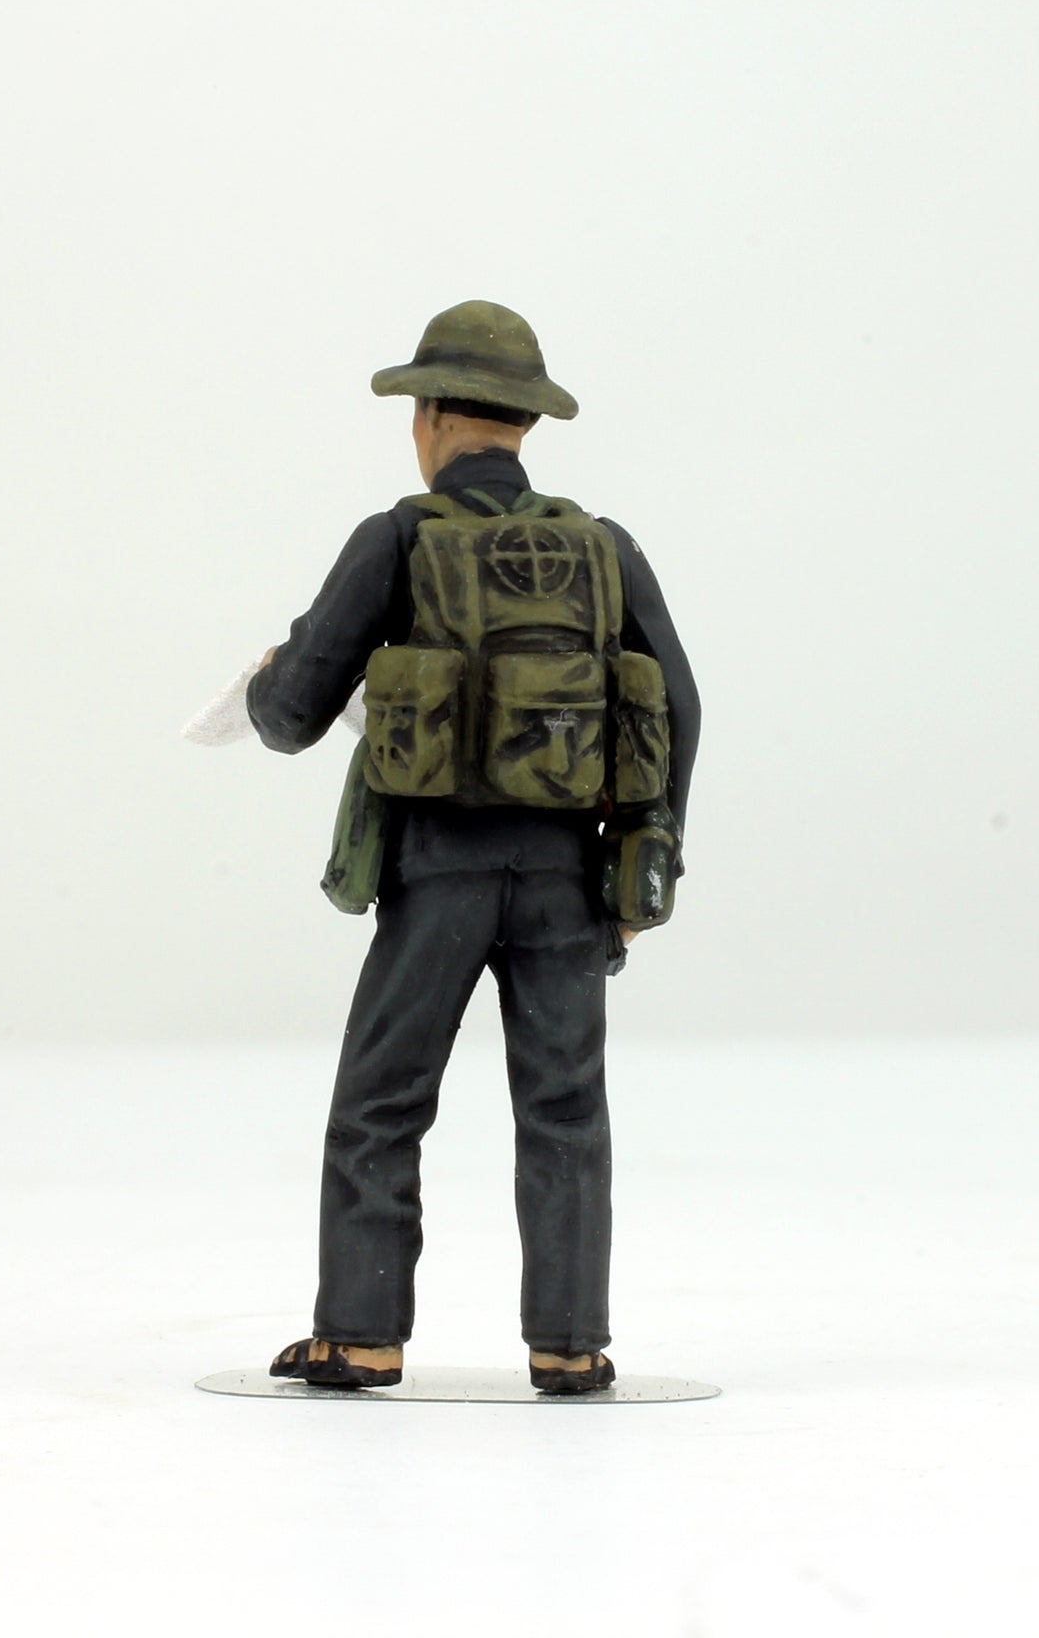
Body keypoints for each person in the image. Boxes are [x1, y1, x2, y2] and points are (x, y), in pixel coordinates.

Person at [245, 300, 698, 1393]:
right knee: (565, 1110)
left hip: (435, 873)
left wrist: (264, 683)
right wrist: (645, 868)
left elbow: (295, 713)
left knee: (382, 1103)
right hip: (566, 880)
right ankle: (570, 1344)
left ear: (431, 416)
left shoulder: (399, 538)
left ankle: (361, 1335)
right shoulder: (604, 548)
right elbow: (678, 702)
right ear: (525, 424)